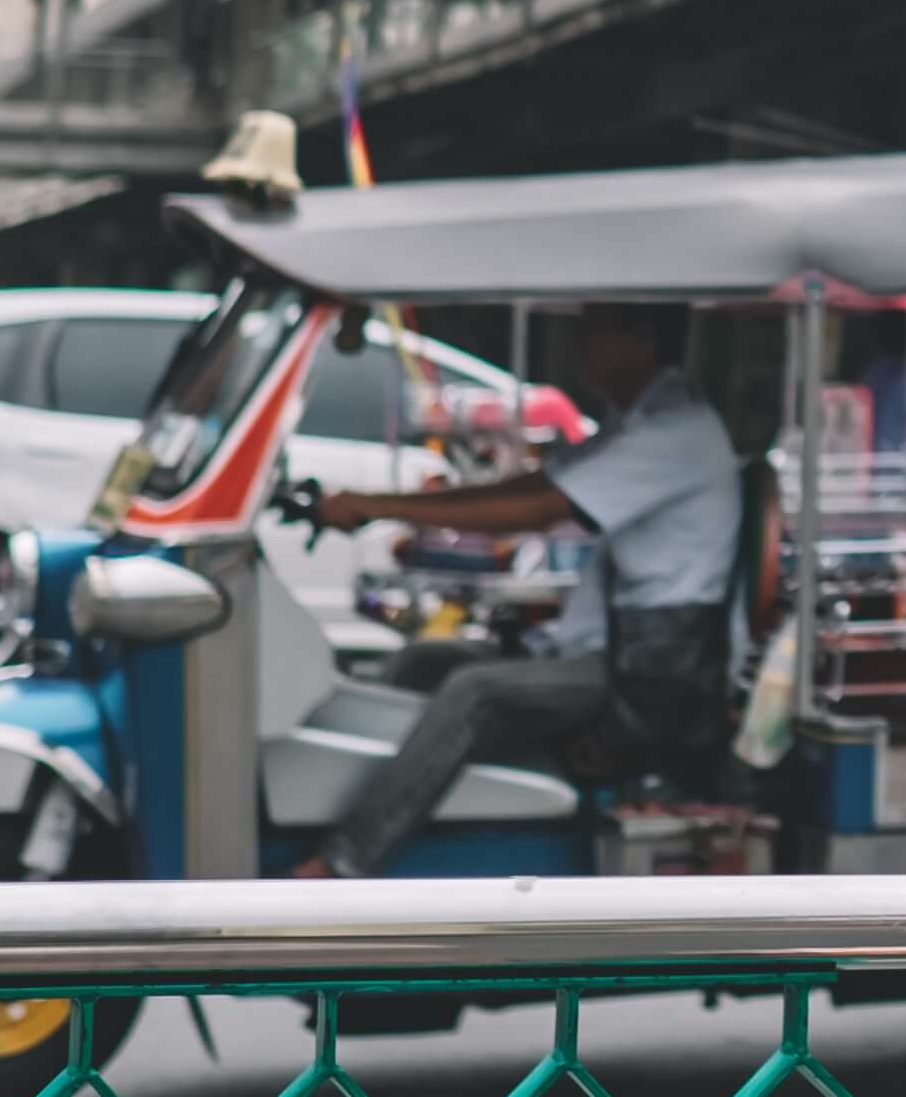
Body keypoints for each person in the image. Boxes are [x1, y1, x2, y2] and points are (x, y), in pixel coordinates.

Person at [290, 304, 743, 877]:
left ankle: (344, 864)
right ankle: (360, 807)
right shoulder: (638, 421)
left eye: (592, 327)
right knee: (422, 660)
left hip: (652, 671)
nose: (577, 340)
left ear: (641, 336)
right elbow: (537, 487)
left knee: (474, 690)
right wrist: (389, 506)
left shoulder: (673, 432)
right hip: (610, 644)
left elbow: (535, 508)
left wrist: (376, 506)